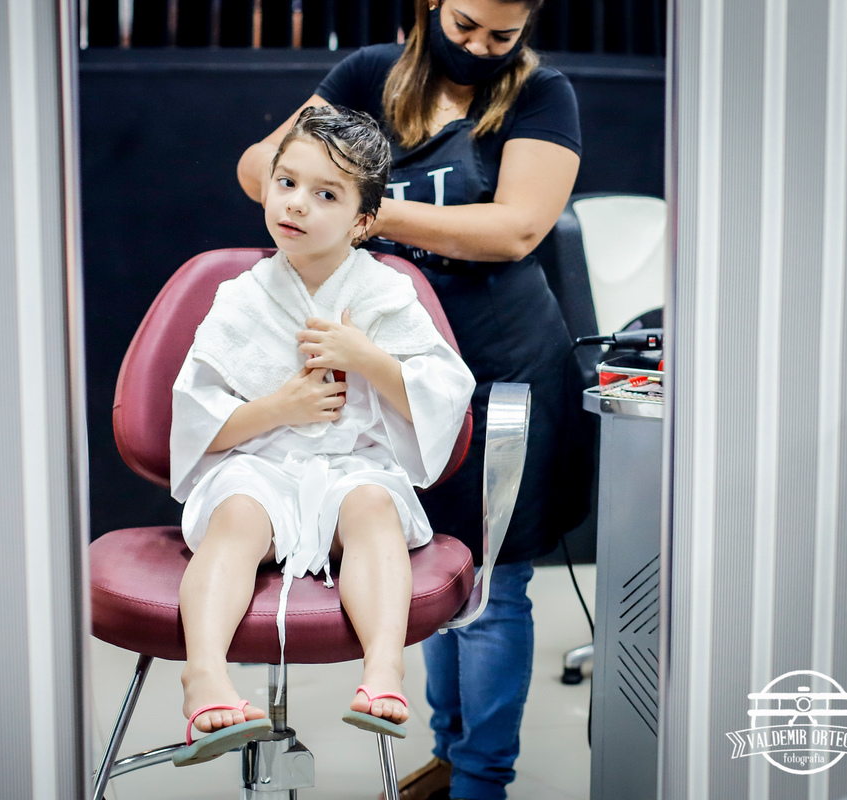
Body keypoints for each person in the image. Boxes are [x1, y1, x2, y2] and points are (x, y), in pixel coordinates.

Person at [237, 2, 590, 798]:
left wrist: (366, 208)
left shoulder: (542, 94)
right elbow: (260, 167)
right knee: (425, 565)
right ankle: (447, 755)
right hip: (392, 371)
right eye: (465, 26)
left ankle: (482, 780)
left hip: (500, 367)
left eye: (502, 36)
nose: (480, 48)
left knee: (493, 587)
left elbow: (515, 229)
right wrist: (312, 190)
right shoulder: (370, 75)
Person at [170, 106, 476, 768]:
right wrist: (278, 407)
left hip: (352, 465)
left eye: (326, 194)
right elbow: (197, 423)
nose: (297, 204)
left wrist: (368, 358)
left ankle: (384, 668)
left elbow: (444, 394)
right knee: (237, 516)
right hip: (259, 461)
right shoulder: (241, 298)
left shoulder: (386, 293)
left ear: (364, 222)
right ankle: (204, 675)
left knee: (372, 509)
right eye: (287, 183)